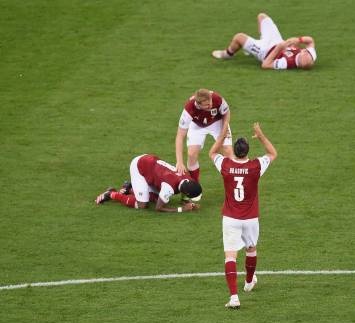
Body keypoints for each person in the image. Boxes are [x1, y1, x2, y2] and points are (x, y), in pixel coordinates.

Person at [208, 123, 277, 308]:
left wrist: (222, 136)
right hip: (251, 218)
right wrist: (261, 135)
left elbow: (212, 153)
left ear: (235, 152)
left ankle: (234, 298)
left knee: (230, 257)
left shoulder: (225, 165)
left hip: (231, 218)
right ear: (247, 151)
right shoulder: (255, 166)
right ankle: (248, 282)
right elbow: (272, 154)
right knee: (251, 249)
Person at [95, 154, 202, 213]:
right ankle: (112, 194)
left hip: (149, 162)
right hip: (139, 167)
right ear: (186, 192)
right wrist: (181, 209)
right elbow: (158, 208)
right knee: (142, 205)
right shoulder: (168, 188)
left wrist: (185, 202)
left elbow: (186, 187)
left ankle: (129, 188)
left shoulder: (186, 176)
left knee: (156, 197)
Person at [212, 13, 317, 70]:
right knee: (262, 17)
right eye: (306, 52)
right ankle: (258, 42)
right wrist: (299, 39)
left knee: (239, 37)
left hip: (265, 52)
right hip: (276, 40)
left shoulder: (286, 63)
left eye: (304, 54)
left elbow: (266, 65)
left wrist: (279, 48)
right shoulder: (311, 55)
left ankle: (227, 54)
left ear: (301, 63)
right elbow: (311, 41)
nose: (304, 51)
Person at [176, 88, 233, 181]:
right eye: (206, 105)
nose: (210, 105)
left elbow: (226, 113)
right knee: (191, 154)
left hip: (217, 122)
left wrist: (224, 128)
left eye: (210, 102)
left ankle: (232, 185)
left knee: (228, 151)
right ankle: (195, 188)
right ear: (198, 104)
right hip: (197, 125)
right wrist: (179, 161)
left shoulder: (217, 98)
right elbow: (180, 136)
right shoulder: (188, 109)